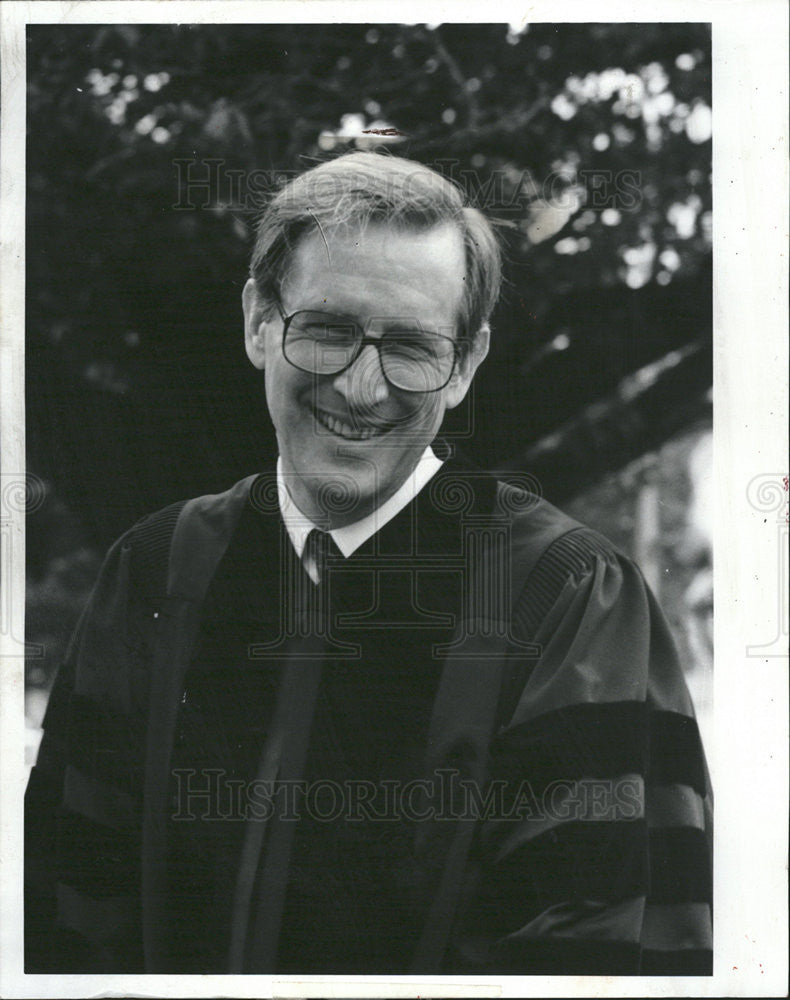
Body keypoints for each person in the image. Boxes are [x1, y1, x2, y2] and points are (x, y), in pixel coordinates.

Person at [25, 151, 712, 976]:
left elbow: (588, 953)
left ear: (465, 364)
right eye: (327, 330)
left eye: (413, 348)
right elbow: (65, 914)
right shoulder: (158, 571)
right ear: (257, 322)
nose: (360, 388)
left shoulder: (560, 597)